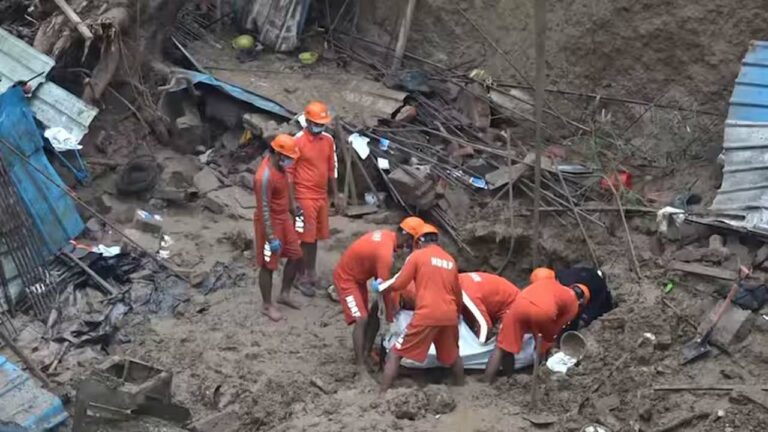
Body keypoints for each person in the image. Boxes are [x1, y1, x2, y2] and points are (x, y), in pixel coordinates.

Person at [333, 216, 425, 376]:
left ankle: (366, 352)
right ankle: (360, 365)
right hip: (347, 279)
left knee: (374, 311)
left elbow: (382, 282)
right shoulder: (385, 254)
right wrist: (390, 316)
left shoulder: (387, 237)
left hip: (359, 277)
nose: (410, 246)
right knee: (361, 319)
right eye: (412, 241)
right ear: (408, 237)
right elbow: (384, 290)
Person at [376, 224, 464, 392]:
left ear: (419, 242)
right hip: (449, 314)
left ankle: (382, 393)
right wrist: (457, 314)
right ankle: (462, 388)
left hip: (427, 313)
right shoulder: (450, 260)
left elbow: (400, 283)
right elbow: (457, 293)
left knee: (396, 353)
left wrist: (381, 287)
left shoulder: (417, 256)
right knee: (454, 355)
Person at [483, 276, 591, 383]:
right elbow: (557, 327)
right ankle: (540, 375)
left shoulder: (551, 283)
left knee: (502, 347)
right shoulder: (574, 304)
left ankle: (494, 380)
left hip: (519, 305)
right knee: (545, 343)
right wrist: (549, 343)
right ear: (581, 301)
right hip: (543, 312)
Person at [289, 101, 344, 297]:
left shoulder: (328, 140)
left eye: (322, 124)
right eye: (316, 123)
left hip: (321, 195)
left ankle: (311, 273)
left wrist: (336, 195)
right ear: (308, 121)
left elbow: (332, 168)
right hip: (303, 195)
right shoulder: (297, 141)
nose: (319, 127)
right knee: (304, 238)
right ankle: (299, 277)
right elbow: (289, 172)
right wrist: (293, 201)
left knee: (314, 238)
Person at [253, 134, 303, 322]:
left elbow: (286, 190)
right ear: (279, 154)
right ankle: (267, 304)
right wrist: (270, 236)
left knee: (296, 255)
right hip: (269, 221)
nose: (291, 161)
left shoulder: (282, 167)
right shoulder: (263, 177)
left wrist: (293, 209)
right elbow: (263, 208)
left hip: (283, 218)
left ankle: (284, 293)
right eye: (289, 157)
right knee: (268, 265)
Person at [530, 266, 613, 331]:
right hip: (587, 282)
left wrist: (584, 318)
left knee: (591, 316)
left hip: (597, 293)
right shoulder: (558, 277)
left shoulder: (569, 285)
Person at [459, 272, 520, 343]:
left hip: (514, 307)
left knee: (502, 343)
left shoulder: (467, 294)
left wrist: (479, 346)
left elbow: (484, 326)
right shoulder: (457, 281)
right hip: (496, 303)